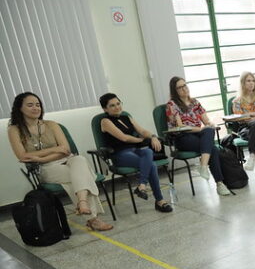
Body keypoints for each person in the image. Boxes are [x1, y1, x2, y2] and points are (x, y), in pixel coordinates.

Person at [7, 92, 113, 231]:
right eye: (30, 105)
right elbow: (22, 156)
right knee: (81, 175)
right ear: (19, 108)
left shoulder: (52, 125)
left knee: (79, 160)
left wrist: (40, 157)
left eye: (38, 105)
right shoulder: (14, 130)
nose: (36, 108)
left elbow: (66, 150)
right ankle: (91, 217)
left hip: (65, 160)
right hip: (45, 168)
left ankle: (83, 205)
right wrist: (52, 152)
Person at [99, 93, 172, 213]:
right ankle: (159, 201)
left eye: (118, 103)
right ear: (105, 109)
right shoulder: (105, 121)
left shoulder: (126, 117)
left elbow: (142, 130)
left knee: (148, 151)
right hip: (120, 154)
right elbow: (124, 138)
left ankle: (142, 186)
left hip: (135, 151)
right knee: (152, 165)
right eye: (112, 105)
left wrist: (153, 137)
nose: (117, 107)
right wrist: (142, 140)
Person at [166, 77, 231, 196]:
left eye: (185, 85)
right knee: (213, 149)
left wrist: (210, 124)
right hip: (182, 138)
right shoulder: (172, 104)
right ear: (174, 90)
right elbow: (180, 126)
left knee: (209, 131)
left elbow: (206, 121)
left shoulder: (195, 102)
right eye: (180, 87)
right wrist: (202, 129)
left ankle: (204, 166)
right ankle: (219, 183)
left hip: (198, 136)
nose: (184, 89)